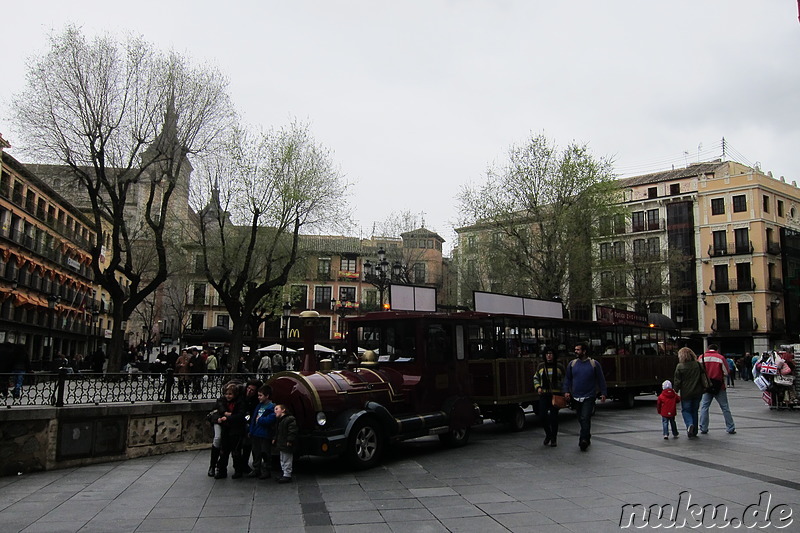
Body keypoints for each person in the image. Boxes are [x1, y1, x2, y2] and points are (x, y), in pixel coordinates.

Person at [563, 342, 607, 451]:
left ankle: (583, 440)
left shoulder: (594, 364)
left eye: (578, 350)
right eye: (575, 349)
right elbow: (567, 379)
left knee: (585, 417)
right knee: (580, 418)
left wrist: (603, 393)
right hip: (576, 396)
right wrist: (566, 391)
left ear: (584, 351)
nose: (576, 352)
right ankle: (587, 435)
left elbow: (601, 379)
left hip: (589, 396)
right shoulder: (572, 364)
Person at [698, 344, 736, 435]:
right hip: (719, 386)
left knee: (704, 407)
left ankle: (703, 427)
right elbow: (727, 372)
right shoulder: (720, 358)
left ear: (708, 349)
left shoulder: (701, 357)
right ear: (717, 350)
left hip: (706, 386)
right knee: (725, 407)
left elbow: (698, 371)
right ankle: (730, 427)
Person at [213, 382, 248, 479]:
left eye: (230, 394)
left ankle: (238, 470)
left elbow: (240, 415)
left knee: (236, 451)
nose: (228, 396)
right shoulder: (223, 401)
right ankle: (221, 470)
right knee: (224, 451)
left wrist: (229, 417)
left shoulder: (240, 402)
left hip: (236, 429)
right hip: (226, 428)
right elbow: (220, 409)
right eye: (226, 394)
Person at [533, 348, 565, 447]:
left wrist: (565, 392)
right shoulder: (541, 366)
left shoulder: (559, 367)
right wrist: (538, 387)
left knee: (553, 417)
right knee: (542, 416)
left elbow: (565, 380)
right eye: (547, 354)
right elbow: (536, 378)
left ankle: (554, 438)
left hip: (555, 395)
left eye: (550, 354)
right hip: (544, 395)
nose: (549, 356)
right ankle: (548, 434)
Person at [673, 347, 705, 438]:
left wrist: (675, 390)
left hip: (686, 392)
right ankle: (694, 431)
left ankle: (689, 424)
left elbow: (677, 381)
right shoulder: (698, 365)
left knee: (686, 410)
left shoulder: (680, 366)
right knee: (695, 410)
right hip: (698, 391)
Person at [248, 385, 276, 479]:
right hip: (256, 433)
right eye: (258, 395)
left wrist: (260, 420)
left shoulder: (272, 407)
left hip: (265, 434)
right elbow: (253, 419)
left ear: (267, 396)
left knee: (265, 452)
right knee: (256, 452)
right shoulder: (259, 406)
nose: (258, 397)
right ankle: (256, 468)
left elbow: (270, 419)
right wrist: (251, 430)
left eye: (260, 395)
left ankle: (266, 470)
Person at [272, 403, 298, 483]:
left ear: (283, 410)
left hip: (286, 444)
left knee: (287, 459)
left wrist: (289, 440)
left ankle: (287, 474)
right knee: (282, 458)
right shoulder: (280, 421)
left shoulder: (289, 419)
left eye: (277, 409)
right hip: (282, 444)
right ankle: (284, 473)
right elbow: (278, 432)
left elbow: (292, 431)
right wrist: (275, 439)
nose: (275, 411)